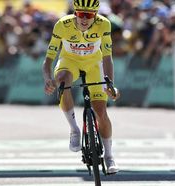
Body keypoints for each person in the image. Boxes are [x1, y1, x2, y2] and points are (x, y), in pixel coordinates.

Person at [42, 0, 120, 174]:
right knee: (62, 80)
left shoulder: (103, 24)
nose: (85, 19)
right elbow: (48, 59)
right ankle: (74, 129)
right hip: (70, 62)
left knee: (101, 111)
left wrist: (109, 83)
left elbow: (107, 56)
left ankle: (109, 156)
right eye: (81, 14)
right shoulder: (62, 25)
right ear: (75, 12)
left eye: (89, 15)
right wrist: (48, 79)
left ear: (96, 15)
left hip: (94, 64)